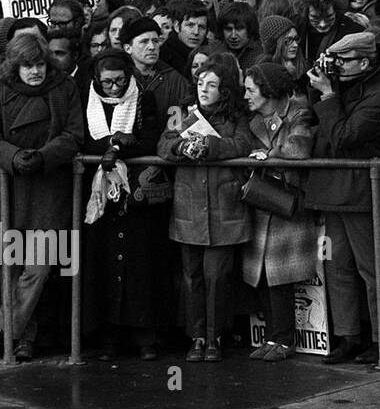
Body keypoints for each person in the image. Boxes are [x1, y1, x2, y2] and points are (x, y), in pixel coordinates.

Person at [0, 34, 85, 362]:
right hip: (10, 189)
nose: (35, 71)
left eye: (39, 64)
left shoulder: (63, 88)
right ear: (14, 65)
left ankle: (3, 328)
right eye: (27, 65)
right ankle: (24, 339)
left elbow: (74, 134)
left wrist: (43, 156)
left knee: (37, 268)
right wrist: (13, 156)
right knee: (10, 268)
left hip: (49, 187)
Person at [305, 31, 380, 364]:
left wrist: (330, 94)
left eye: (342, 61)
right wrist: (323, 84)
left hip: (363, 190)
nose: (337, 67)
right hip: (335, 188)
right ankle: (349, 336)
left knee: (372, 269)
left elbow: (344, 136)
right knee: (337, 266)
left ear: (365, 62)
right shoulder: (348, 80)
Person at [158, 59, 254, 363]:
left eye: (211, 84)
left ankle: (216, 336)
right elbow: (164, 142)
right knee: (191, 277)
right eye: (200, 83)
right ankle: (196, 336)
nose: (204, 89)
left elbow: (241, 143)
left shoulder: (236, 117)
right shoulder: (183, 113)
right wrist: (180, 148)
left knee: (217, 276)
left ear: (223, 88)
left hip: (223, 208)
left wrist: (209, 146)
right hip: (190, 208)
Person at [81, 49, 163, 361]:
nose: (114, 88)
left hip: (134, 194)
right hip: (99, 195)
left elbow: (151, 139)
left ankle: (144, 336)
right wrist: (111, 143)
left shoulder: (144, 98)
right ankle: (108, 337)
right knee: (102, 266)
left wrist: (124, 145)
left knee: (139, 266)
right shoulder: (86, 100)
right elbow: (83, 140)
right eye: (107, 83)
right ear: (96, 81)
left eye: (120, 81)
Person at [238, 62, 318, 363]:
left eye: (250, 89)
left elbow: (299, 149)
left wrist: (267, 155)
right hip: (262, 202)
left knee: (281, 276)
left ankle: (285, 340)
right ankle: (272, 336)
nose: (246, 95)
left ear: (268, 90)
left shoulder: (298, 110)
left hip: (288, 204)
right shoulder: (253, 120)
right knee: (261, 276)